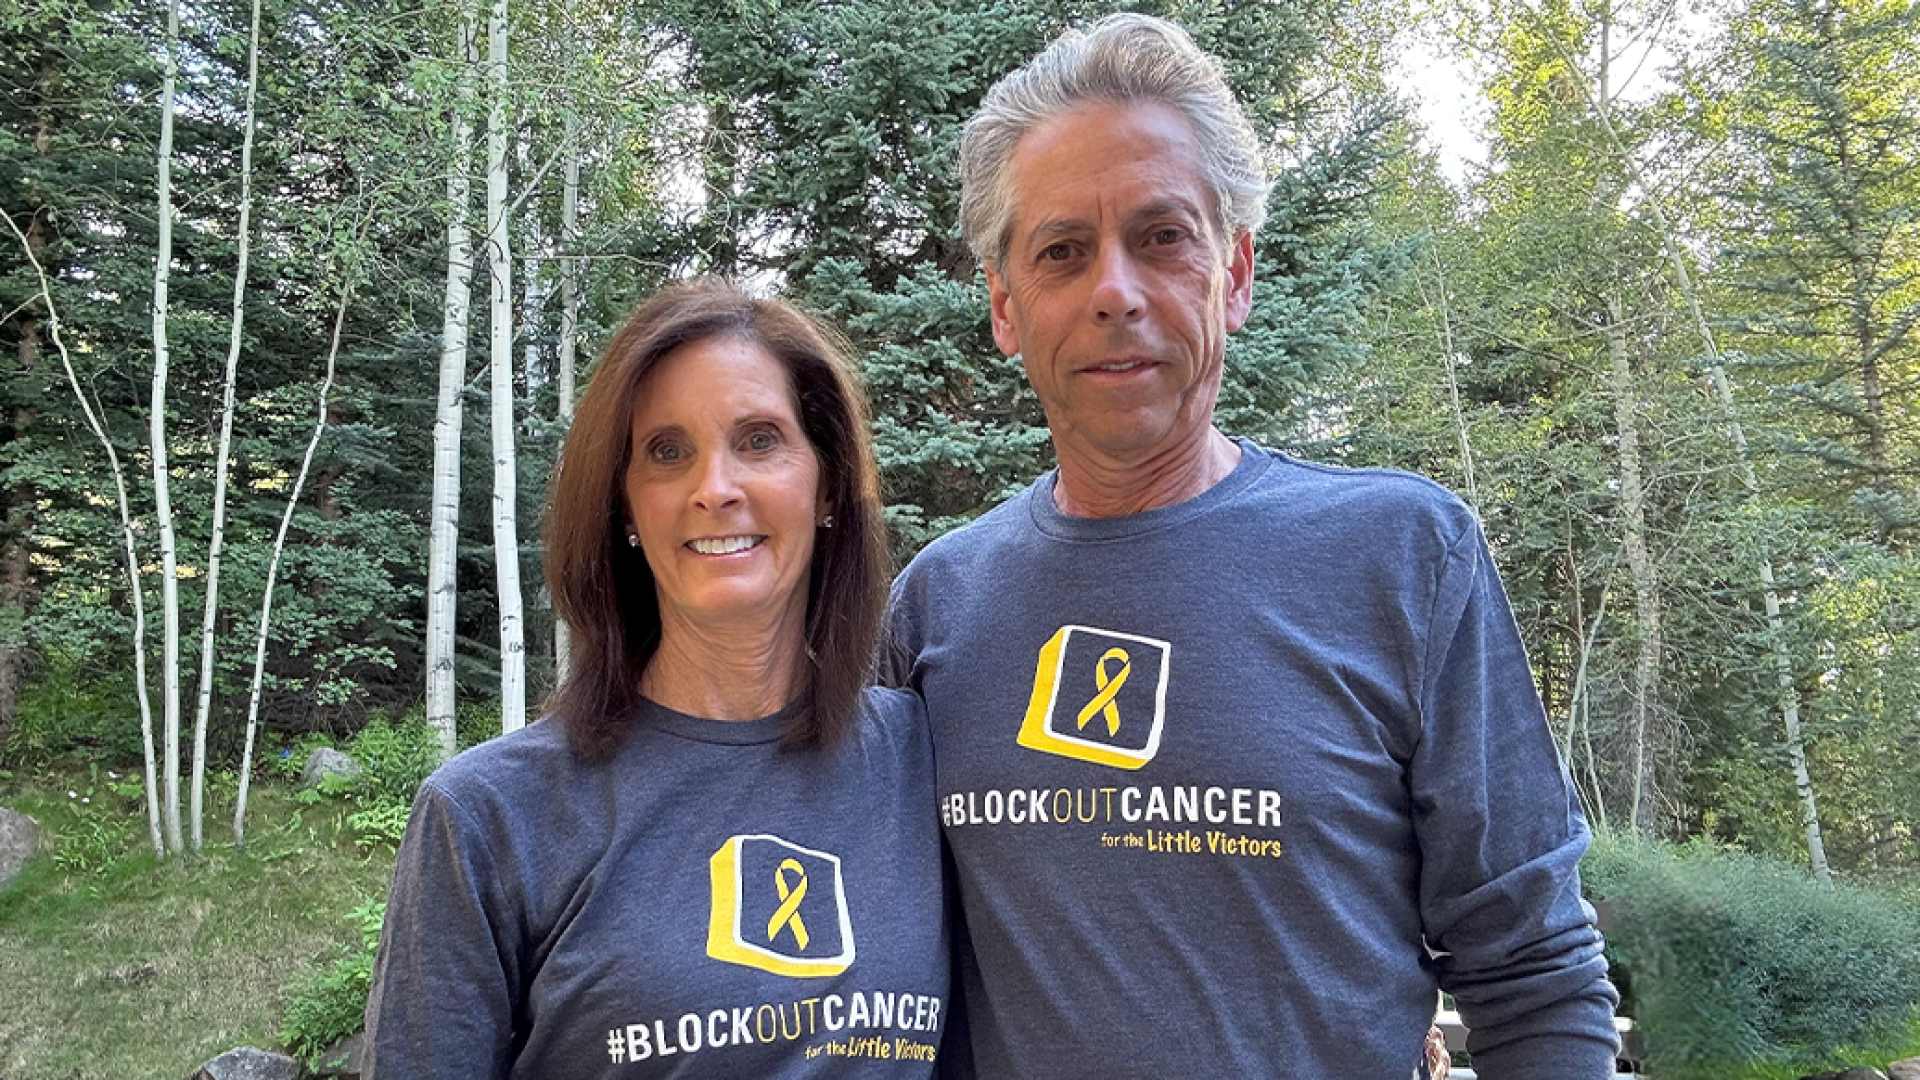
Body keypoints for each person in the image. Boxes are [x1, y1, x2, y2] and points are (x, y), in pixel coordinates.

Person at [883, 14, 1619, 1080]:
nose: (1115, 292)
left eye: (1162, 236)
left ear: (1234, 273)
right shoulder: (936, 604)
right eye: (1061, 251)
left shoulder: (1404, 556)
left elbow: (1535, 968)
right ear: (1005, 306)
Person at [366, 279, 949, 1078]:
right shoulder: (488, 819)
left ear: (828, 488)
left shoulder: (922, 758)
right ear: (627, 510)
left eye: (760, 439)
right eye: (667, 452)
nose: (715, 488)